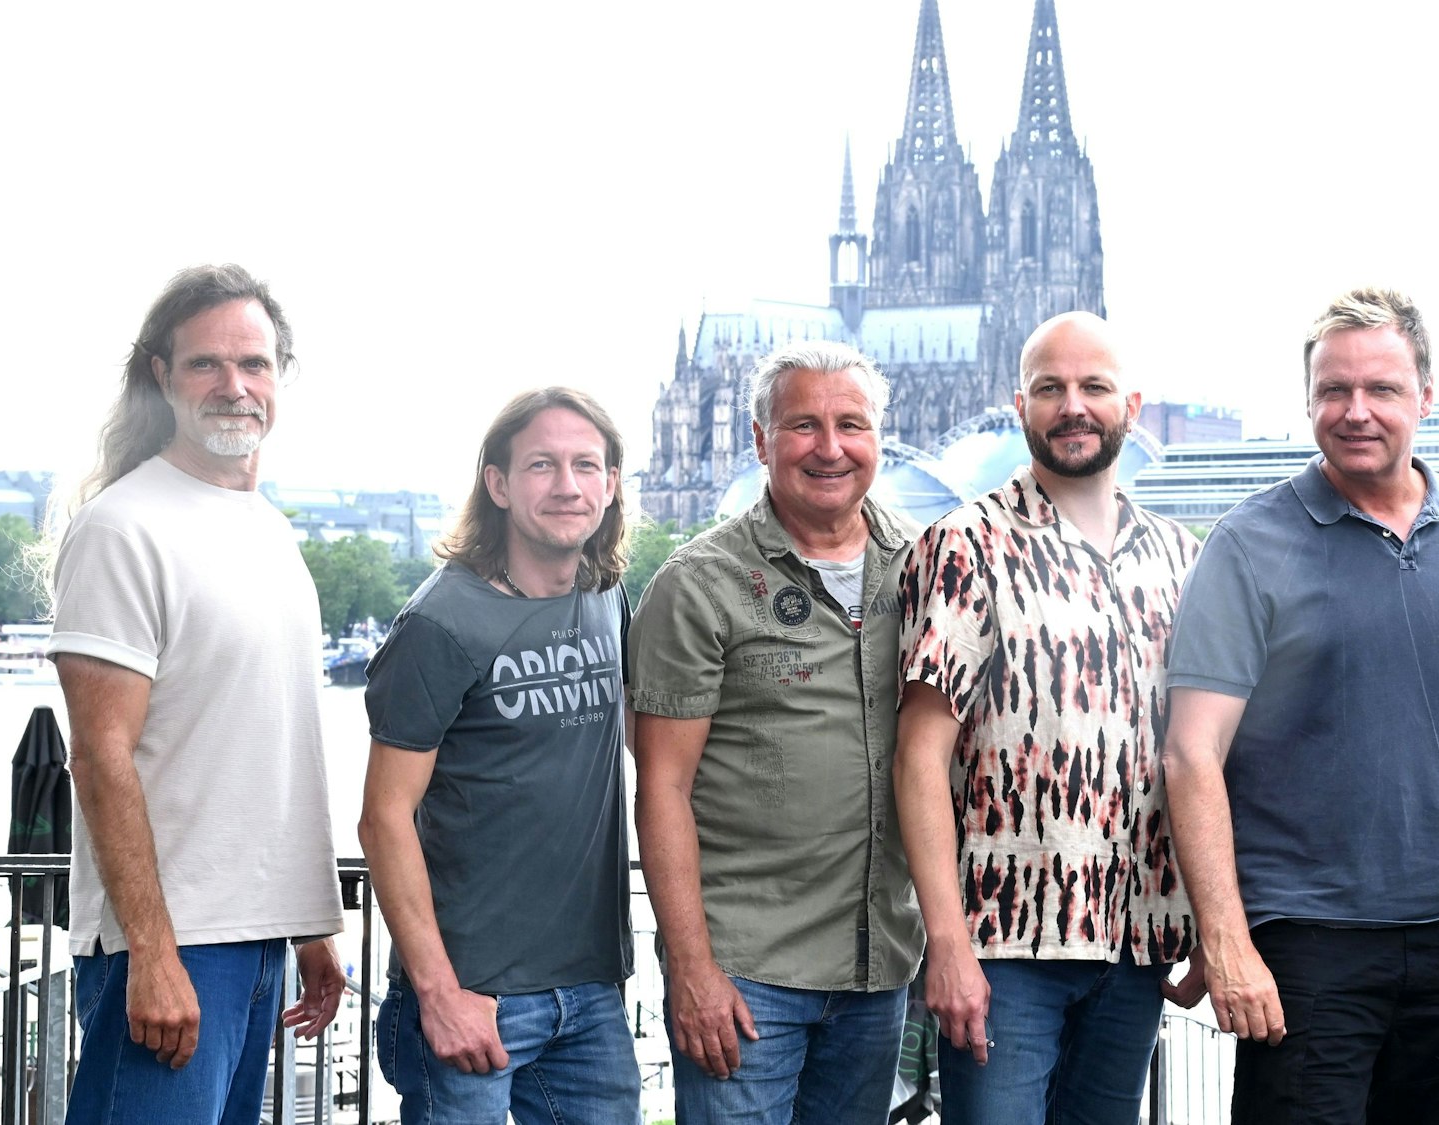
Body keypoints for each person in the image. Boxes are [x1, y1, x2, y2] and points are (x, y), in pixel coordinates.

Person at [1162, 286, 1439, 1124]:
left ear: (1426, 397)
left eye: (1382, 388)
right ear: (1308, 400)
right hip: (1306, 949)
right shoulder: (1247, 544)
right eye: (1334, 389)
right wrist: (1226, 937)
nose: (1356, 410)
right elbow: (1191, 753)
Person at [47, 264, 345, 1121]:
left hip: (255, 943)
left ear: (280, 376)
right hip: (172, 950)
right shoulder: (123, 528)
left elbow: (264, 746)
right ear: (161, 376)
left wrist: (309, 922)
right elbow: (99, 755)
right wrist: (151, 951)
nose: (233, 385)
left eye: (253, 363)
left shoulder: (272, 532)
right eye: (205, 363)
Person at [895, 311, 1198, 1125]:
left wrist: (1212, 923)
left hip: (1135, 941)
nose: (1073, 405)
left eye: (1094, 386)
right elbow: (918, 758)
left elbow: (1203, 755)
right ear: (1018, 404)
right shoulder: (966, 543)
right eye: (1049, 388)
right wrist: (946, 944)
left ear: (1131, 405)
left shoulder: (1179, 556)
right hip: (1004, 944)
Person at [627, 341, 922, 1124]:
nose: (830, 448)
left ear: (879, 438)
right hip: (746, 972)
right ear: (760, 440)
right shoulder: (699, 583)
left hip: (876, 969)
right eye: (803, 425)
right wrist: (691, 968)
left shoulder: (922, 567)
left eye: (851, 425)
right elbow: (661, 788)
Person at [359, 387, 639, 1124]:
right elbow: (383, 819)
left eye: (586, 465)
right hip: (473, 994)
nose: (568, 486)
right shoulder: (439, 621)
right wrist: (439, 992)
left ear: (612, 484)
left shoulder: (605, 595)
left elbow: (659, 754)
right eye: (542, 465)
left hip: (593, 992)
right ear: (499, 484)